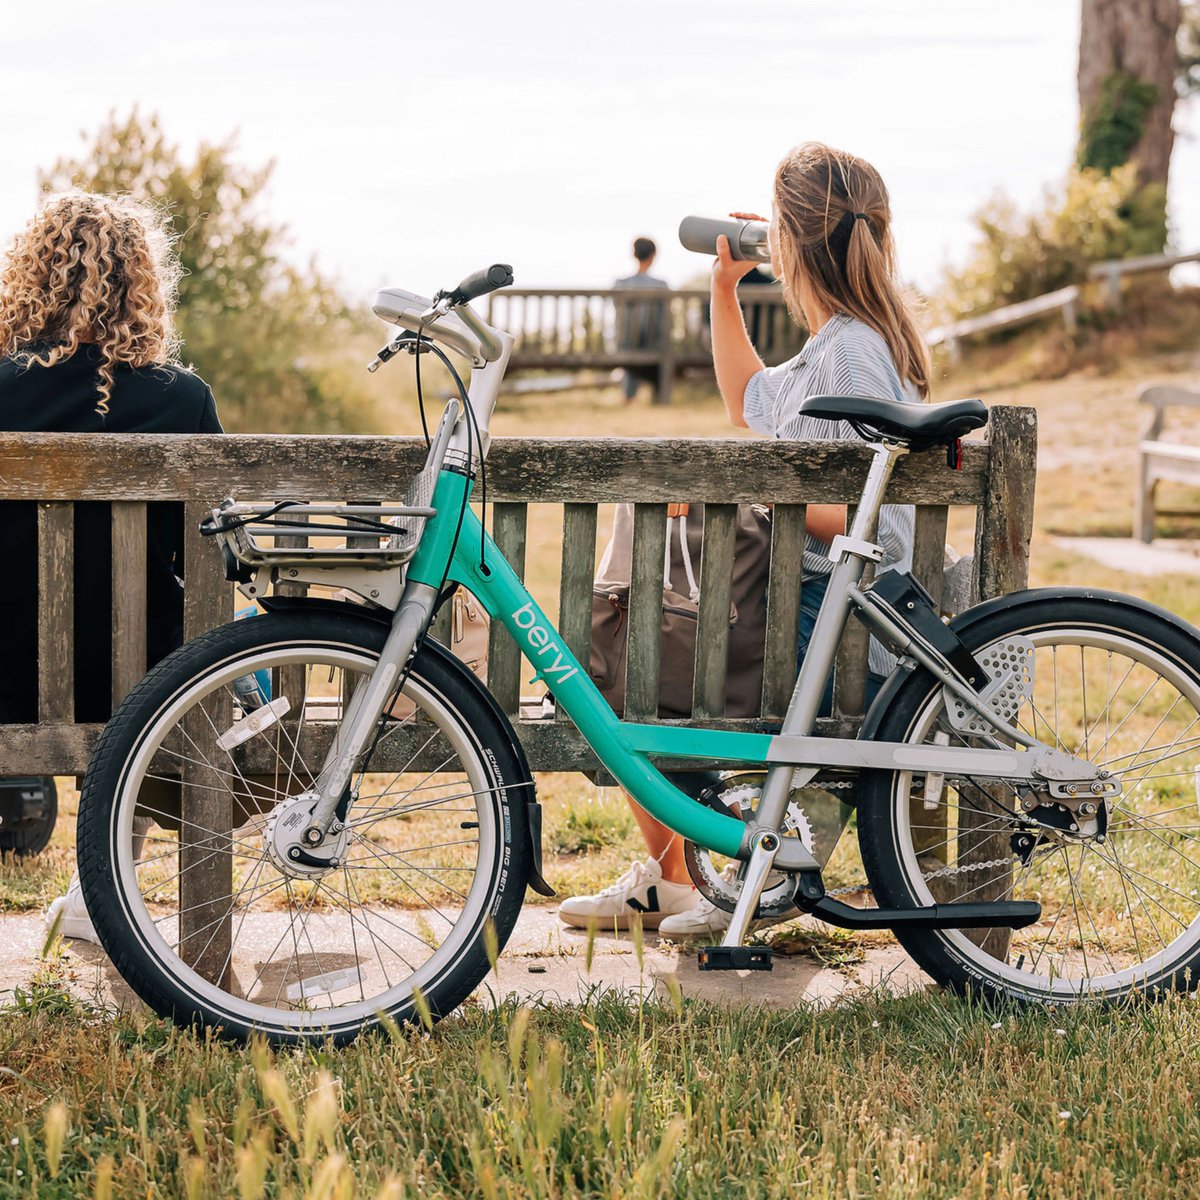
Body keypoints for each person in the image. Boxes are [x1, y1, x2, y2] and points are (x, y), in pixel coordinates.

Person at [559, 142, 929, 937]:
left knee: (644, 672)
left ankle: (727, 877)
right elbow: (746, 404)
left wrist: (738, 490)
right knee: (643, 656)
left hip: (837, 627)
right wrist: (726, 288)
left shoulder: (855, 351)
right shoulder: (841, 341)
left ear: (790, 244)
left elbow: (860, 509)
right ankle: (686, 879)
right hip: (817, 608)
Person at [0, 191, 223, 942]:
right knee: (186, 636)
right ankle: (103, 893)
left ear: (31, 275)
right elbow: (215, 553)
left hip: (4, 675)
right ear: (141, 285)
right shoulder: (180, 399)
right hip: (137, 685)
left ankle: (93, 902)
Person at [613, 236, 669, 403]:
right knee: (650, 341)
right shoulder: (661, 286)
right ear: (653, 256)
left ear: (634, 254)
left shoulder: (620, 284)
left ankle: (629, 396)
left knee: (631, 343)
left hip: (625, 343)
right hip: (653, 344)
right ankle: (658, 396)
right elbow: (664, 318)